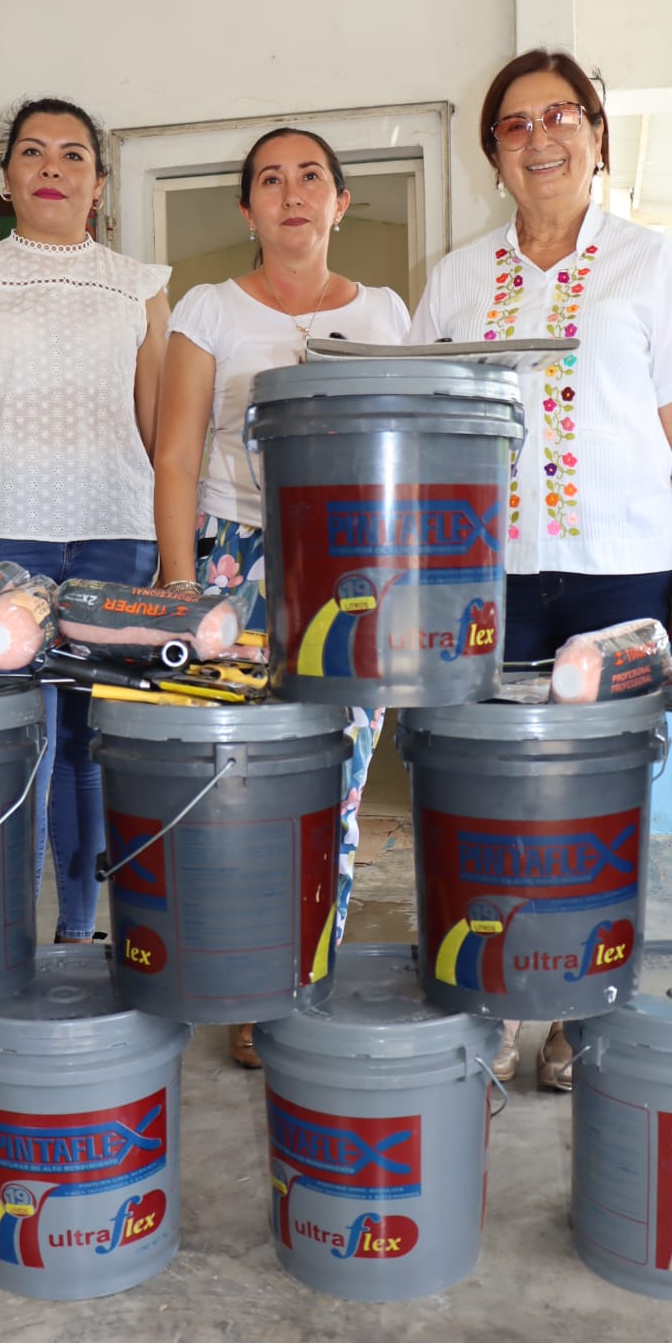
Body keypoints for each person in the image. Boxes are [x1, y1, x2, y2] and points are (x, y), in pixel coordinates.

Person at [410, 48, 672, 1090]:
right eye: (514, 124)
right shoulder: (457, 278)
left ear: (593, 133)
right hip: (485, 579)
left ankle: (582, 1009)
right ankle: (502, 999)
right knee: (493, 796)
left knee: (604, 798)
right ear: (492, 152)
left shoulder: (646, 261)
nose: (538, 137)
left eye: (560, 117)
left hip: (622, 576)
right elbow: (420, 428)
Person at [154, 125, 410, 1067]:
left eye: (312, 178)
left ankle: (303, 975)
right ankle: (236, 969)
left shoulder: (388, 315)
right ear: (247, 209)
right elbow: (177, 455)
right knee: (233, 772)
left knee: (336, 779)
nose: (292, 193)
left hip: (353, 574)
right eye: (271, 179)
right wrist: (181, 586)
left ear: (341, 202)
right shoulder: (210, 308)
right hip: (234, 561)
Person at [0, 97, 170, 943]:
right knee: (16, 743)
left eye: (72, 155)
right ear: (9, 178)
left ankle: (79, 936)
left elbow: (164, 441)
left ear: (97, 183)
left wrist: (176, 565)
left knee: (92, 750)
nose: (52, 167)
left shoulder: (142, 286)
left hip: (115, 540)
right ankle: (4, 938)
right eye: (33, 152)